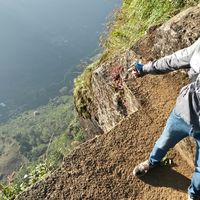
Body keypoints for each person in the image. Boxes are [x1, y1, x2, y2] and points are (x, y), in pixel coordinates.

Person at [130, 38, 200, 200]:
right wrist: (144, 69)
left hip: (185, 112)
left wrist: (143, 69)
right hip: (182, 113)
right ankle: (152, 162)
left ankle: (193, 196)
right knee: (163, 141)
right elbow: (172, 61)